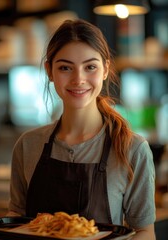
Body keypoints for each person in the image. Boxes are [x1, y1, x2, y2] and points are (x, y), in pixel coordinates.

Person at [8, 19, 156, 239]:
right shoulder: (28, 145)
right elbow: (15, 220)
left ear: (105, 69)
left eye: (90, 67)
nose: (79, 79)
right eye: (65, 67)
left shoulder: (132, 149)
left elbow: (144, 232)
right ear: (49, 71)